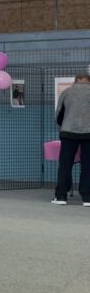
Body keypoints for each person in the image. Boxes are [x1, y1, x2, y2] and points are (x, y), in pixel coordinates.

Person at [53, 73, 90, 205]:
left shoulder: (67, 92)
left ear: (75, 81)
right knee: (88, 166)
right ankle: (87, 197)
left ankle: (61, 196)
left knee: (65, 165)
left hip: (68, 133)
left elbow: (59, 115)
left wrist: (66, 123)